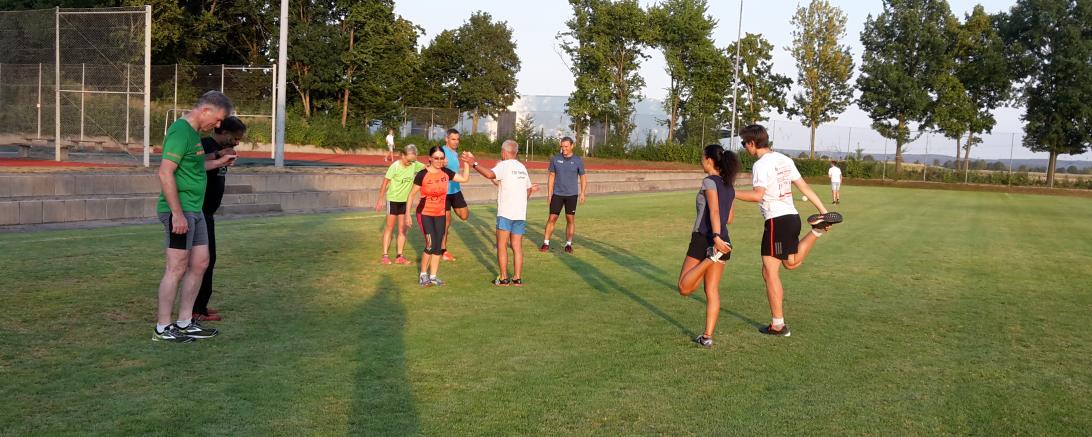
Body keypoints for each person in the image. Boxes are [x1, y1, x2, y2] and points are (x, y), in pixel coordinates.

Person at [734, 124, 842, 337]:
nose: (744, 147)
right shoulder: (784, 159)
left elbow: (758, 195)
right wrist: (823, 211)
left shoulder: (761, 165)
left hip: (777, 221)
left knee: (770, 271)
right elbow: (804, 187)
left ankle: (778, 325)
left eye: (744, 143)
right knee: (789, 264)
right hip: (792, 218)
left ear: (752, 143)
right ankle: (817, 231)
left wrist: (728, 192)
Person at [153, 91, 236, 343]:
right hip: (180, 210)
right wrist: (177, 214)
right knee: (176, 267)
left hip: (195, 210)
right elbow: (165, 173)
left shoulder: (194, 136)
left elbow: (196, 167)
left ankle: (185, 321)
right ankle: (162, 327)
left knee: (200, 263)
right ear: (206, 111)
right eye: (219, 119)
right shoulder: (180, 132)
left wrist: (221, 161)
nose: (219, 125)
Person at [677, 145, 739, 347]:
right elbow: (728, 218)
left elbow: (713, 212)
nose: (701, 161)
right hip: (724, 242)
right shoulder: (729, 185)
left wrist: (716, 238)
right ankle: (707, 336)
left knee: (684, 288)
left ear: (709, 160)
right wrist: (721, 238)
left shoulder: (708, 181)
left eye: (702, 158)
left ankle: (711, 256)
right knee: (711, 290)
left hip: (707, 238)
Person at [193, 116, 247, 323]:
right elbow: (194, 162)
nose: (236, 143)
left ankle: (201, 307)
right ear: (224, 133)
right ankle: (196, 309)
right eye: (235, 138)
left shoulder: (222, 149)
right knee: (203, 262)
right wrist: (217, 154)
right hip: (199, 211)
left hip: (208, 213)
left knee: (209, 261)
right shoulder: (206, 144)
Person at [464, 141, 539, 286]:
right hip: (520, 214)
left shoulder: (504, 165)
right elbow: (528, 189)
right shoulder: (522, 167)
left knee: (502, 245)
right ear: (516, 152)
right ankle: (517, 278)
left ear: (504, 152)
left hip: (506, 213)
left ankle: (504, 278)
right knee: (517, 246)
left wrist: (474, 163)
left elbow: (490, 174)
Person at [409, 146, 471, 287]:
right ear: (430, 158)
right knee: (430, 245)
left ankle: (433, 276)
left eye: (441, 158)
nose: (438, 160)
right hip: (425, 214)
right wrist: (407, 214)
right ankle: (423, 275)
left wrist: (466, 162)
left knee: (438, 246)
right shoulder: (422, 174)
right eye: (436, 158)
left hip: (440, 214)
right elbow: (411, 195)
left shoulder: (446, 172)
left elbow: (465, 178)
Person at [375, 144, 424, 265]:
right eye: (408, 160)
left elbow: (428, 167)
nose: (410, 163)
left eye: (412, 160)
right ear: (403, 155)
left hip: (405, 202)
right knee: (390, 227)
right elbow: (385, 182)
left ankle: (399, 256)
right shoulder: (395, 166)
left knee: (402, 229)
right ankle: (385, 255)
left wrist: (441, 162)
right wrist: (380, 199)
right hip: (393, 200)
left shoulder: (414, 164)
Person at [540, 136, 587, 254]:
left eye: (566, 146)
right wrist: (549, 194)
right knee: (552, 218)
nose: (564, 149)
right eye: (562, 146)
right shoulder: (555, 159)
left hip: (571, 195)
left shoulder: (577, 160)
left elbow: (583, 177)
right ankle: (546, 243)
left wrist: (582, 193)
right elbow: (551, 176)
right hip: (557, 194)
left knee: (570, 219)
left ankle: (568, 244)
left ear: (572, 146)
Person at [440, 129, 469, 261]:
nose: (456, 142)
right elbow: (432, 165)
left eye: (457, 139)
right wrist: (441, 164)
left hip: (456, 190)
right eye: (453, 139)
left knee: (464, 215)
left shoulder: (455, 153)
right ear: (447, 139)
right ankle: (443, 251)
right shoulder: (440, 151)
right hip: (443, 192)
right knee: (446, 222)